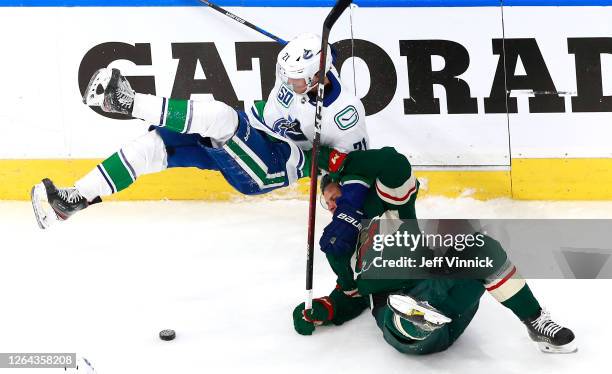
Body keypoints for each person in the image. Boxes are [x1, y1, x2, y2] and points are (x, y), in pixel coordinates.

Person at [31, 33, 368, 228]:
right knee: (153, 146)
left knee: (220, 117)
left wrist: (333, 188)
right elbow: (275, 103)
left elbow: (351, 166)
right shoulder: (297, 78)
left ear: (316, 76)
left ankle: (127, 101)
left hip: (273, 165)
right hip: (255, 131)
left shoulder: (345, 114)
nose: (285, 81)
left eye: (294, 77)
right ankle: (73, 198)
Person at [292, 146, 577, 354]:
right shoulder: (338, 243)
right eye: (326, 202)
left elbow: (394, 163)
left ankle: (535, 320)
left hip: (439, 289)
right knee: (398, 314)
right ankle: (418, 322)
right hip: (397, 314)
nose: (331, 205)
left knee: (483, 248)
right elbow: (350, 293)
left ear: (353, 190)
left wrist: (340, 160)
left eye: (335, 196)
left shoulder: (388, 204)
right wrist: (324, 309)